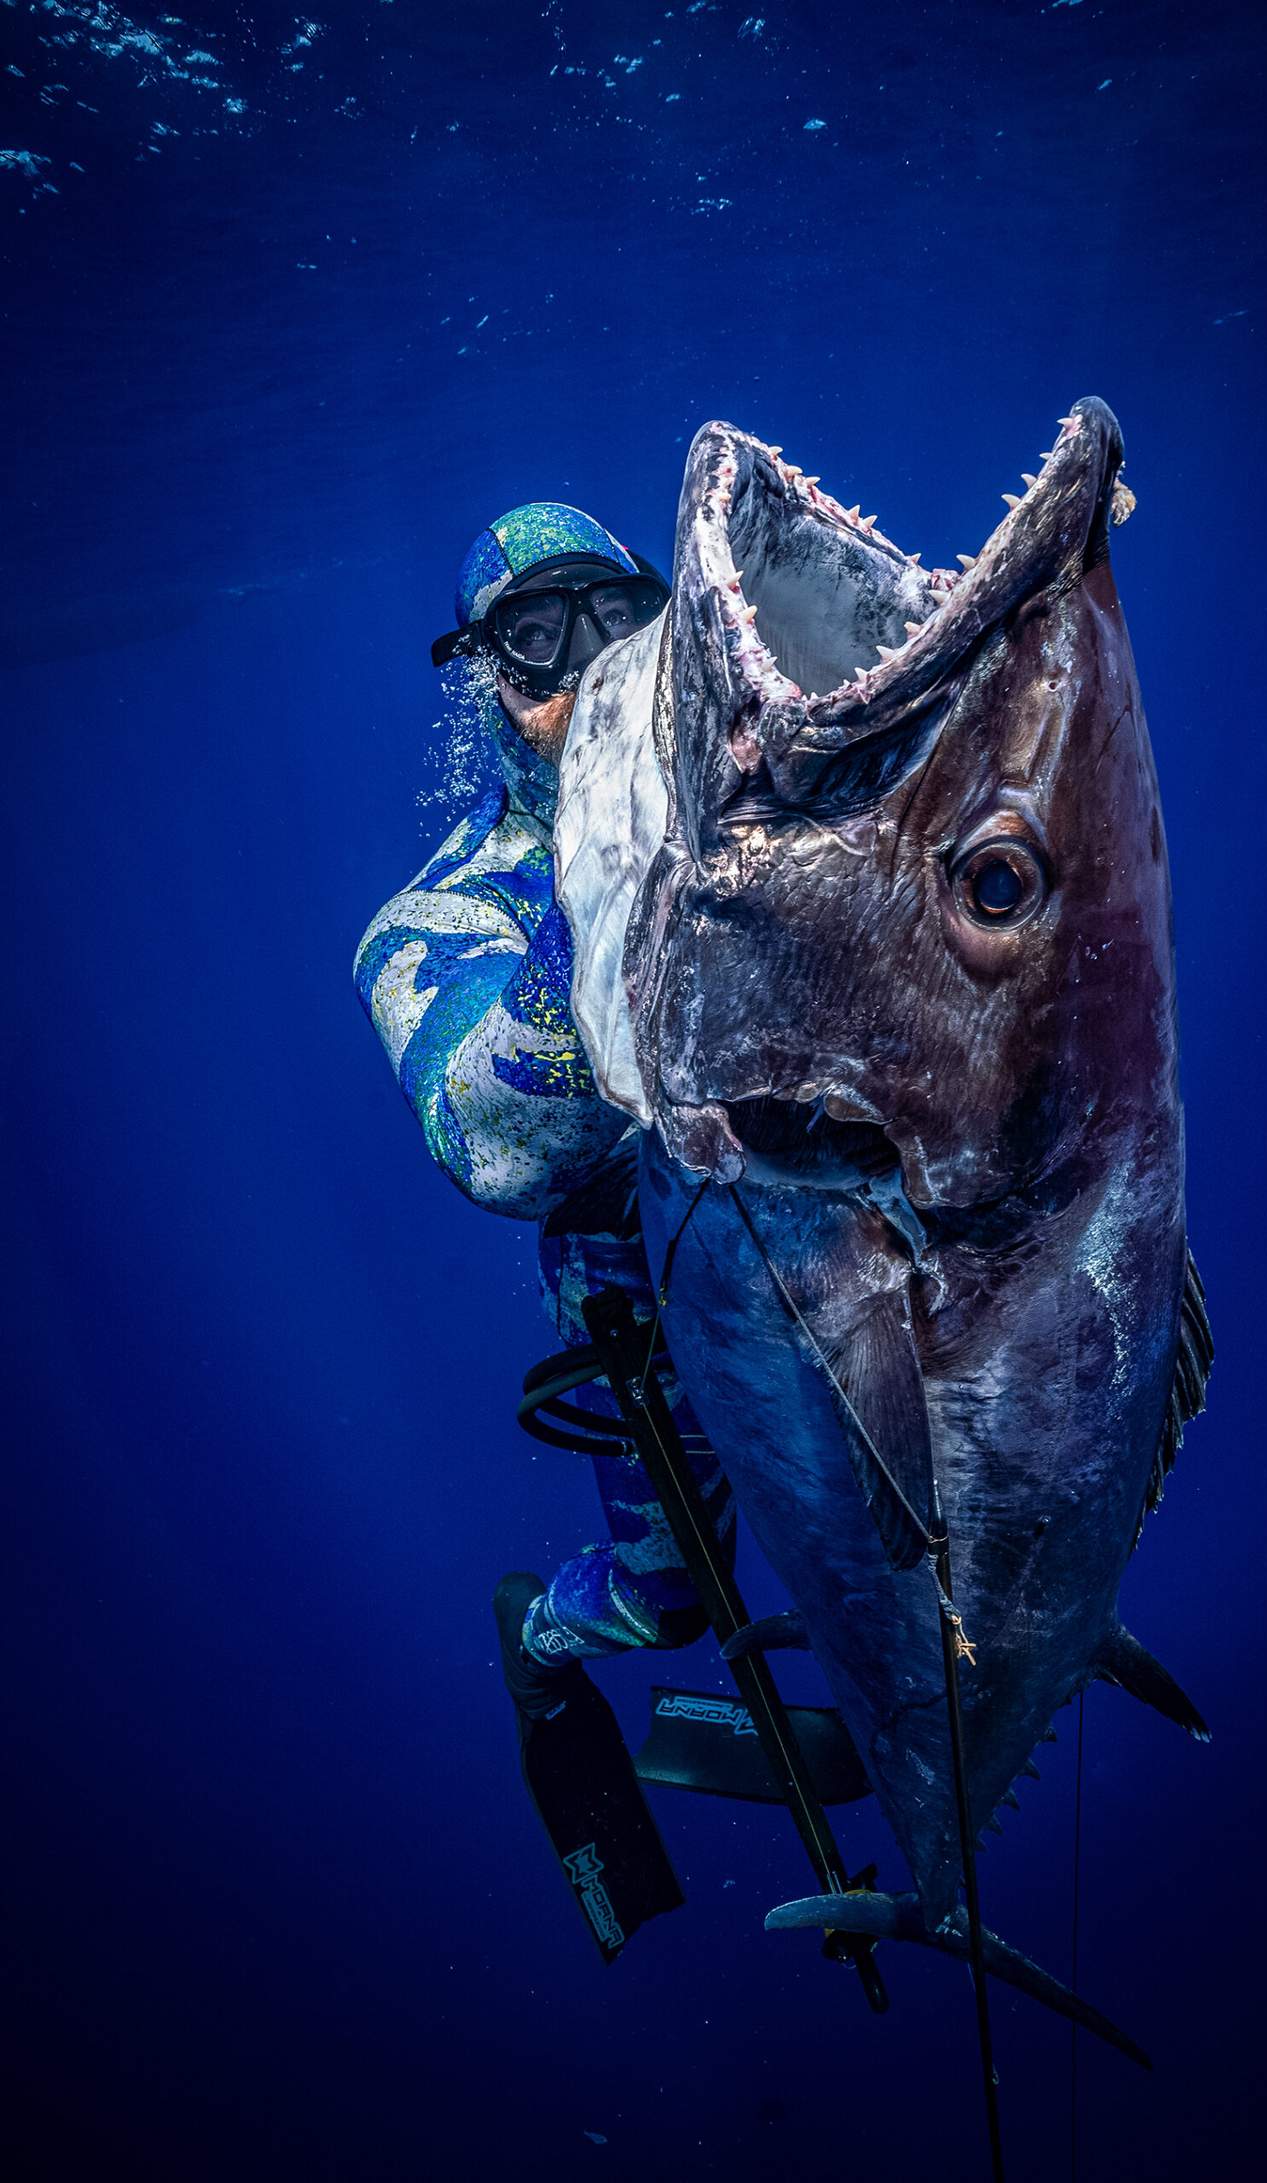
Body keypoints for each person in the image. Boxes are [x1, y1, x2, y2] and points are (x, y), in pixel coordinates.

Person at [353, 503, 733, 1748]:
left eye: (614, 615)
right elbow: (496, 1144)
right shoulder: (431, 919)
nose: (587, 656)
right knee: (668, 1599)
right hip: (650, 1318)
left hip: (833, 1264)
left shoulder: (766, 793)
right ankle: (544, 1637)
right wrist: (604, 869)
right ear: (489, 682)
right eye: (535, 631)